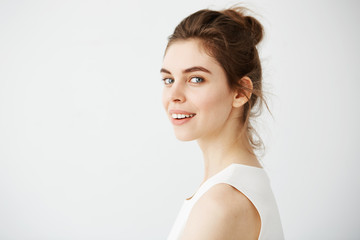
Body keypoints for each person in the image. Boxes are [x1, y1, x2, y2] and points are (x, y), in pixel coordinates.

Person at [160, 6, 284, 240]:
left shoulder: (220, 205)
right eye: (168, 79)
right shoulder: (236, 186)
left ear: (240, 91)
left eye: (196, 79)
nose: (174, 94)